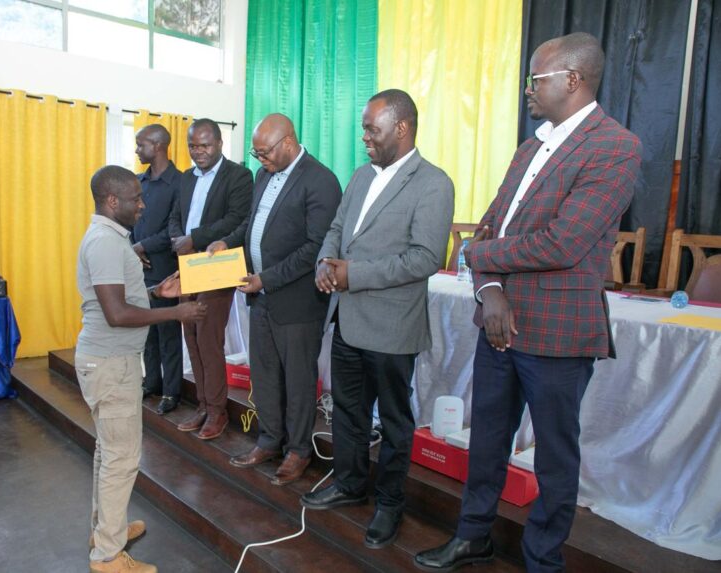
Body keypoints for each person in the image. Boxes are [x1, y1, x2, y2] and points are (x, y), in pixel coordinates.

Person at [414, 33, 641, 572]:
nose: (527, 90)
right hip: (498, 324)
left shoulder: (615, 146)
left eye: (536, 79)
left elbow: (563, 243)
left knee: (555, 457)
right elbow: (490, 224)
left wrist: (481, 257)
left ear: (573, 80)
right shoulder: (529, 148)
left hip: (557, 331)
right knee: (487, 440)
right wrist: (490, 290)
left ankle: (543, 560)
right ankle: (473, 536)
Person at [301, 89, 455, 549]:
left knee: (392, 420)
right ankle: (349, 483)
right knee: (348, 411)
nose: (365, 137)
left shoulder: (433, 183)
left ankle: (389, 503)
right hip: (347, 321)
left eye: (373, 129)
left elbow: (425, 258)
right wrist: (325, 263)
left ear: (401, 128)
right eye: (364, 129)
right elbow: (336, 230)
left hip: (392, 327)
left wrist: (353, 275)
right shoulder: (360, 175)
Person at [76, 165, 206, 573]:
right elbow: (116, 314)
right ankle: (108, 556)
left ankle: (106, 530)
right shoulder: (104, 242)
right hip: (111, 363)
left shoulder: (112, 237)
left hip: (109, 360)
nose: (142, 205)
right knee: (121, 458)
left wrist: (155, 292)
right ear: (112, 200)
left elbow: (119, 298)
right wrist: (175, 312)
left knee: (109, 452)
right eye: (136, 198)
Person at [207, 114, 342, 486]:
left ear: (288, 142)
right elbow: (252, 224)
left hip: (297, 302)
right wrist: (229, 241)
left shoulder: (321, 180)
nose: (259, 159)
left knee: (298, 380)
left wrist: (265, 279)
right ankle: (268, 440)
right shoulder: (264, 175)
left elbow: (315, 247)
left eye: (264, 152)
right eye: (255, 152)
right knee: (264, 374)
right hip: (261, 297)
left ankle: (298, 450)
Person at [169, 118, 253, 441]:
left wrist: (195, 238)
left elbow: (237, 219)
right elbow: (175, 216)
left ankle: (218, 411)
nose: (198, 151)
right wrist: (179, 239)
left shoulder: (238, 176)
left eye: (204, 145)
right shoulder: (185, 177)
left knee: (208, 337)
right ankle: (203, 405)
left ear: (219, 143)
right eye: (193, 146)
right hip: (187, 263)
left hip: (217, 264)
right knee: (190, 334)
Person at [132, 124, 184, 415]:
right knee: (146, 330)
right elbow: (131, 220)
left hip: (164, 266)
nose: (137, 150)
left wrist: (143, 246)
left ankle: (171, 391)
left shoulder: (180, 182)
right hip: (139, 267)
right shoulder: (139, 181)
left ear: (158, 145)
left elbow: (174, 229)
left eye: (141, 145)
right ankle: (151, 381)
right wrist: (132, 248)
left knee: (167, 332)